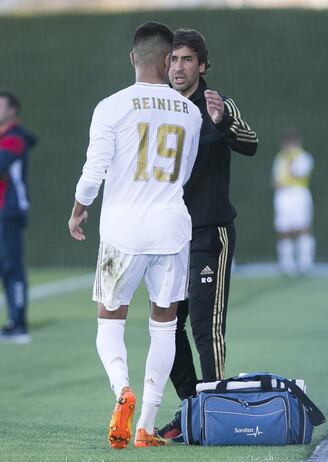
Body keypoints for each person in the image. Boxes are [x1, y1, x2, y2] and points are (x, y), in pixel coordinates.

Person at [68, 22, 202, 449]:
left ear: (133, 58)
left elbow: (95, 172)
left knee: (110, 319)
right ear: (168, 61)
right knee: (163, 328)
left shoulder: (111, 106)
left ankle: (121, 390)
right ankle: (145, 425)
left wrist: (79, 208)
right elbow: (185, 172)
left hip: (121, 233)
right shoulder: (192, 112)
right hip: (171, 231)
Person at [158, 29, 258, 441]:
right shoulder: (160, 107)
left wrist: (222, 123)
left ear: (201, 64)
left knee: (205, 324)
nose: (178, 68)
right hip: (167, 234)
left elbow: (251, 144)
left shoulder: (219, 103)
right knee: (167, 324)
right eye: (172, 60)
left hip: (209, 230)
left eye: (185, 60)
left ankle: (215, 413)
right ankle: (192, 409)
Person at [0, 90, 36, 344]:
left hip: (8, 211)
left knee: (12, 267)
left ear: (13, 109)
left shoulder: (15, 138)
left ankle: (18, 323)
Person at [272, 129, 315, 276]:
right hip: (283, 196)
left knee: (302, 227)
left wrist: (291, 159)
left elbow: (297, 173)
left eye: (291, 142)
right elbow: (276, 180)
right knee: (283, 230)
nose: (288, 146)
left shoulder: (303, 157)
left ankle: (305, 263)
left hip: (298, 194)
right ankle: (286, 264)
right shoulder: (279, 158)